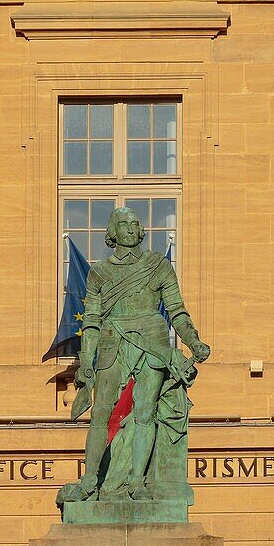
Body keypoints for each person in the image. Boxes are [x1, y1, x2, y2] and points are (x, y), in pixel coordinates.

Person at [60, 206, 210, 503]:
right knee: (100, 414)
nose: (130, 228)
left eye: (134, 223)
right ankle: (90, 481)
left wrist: (194, 342)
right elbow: (91, 320)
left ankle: (138, 482)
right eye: (123, 223)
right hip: (112, 342)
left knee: (146, 414)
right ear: (112, 233)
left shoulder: (158, 266)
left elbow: (177, 311)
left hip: (153, 343)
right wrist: (86, 361)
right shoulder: (99, 274)